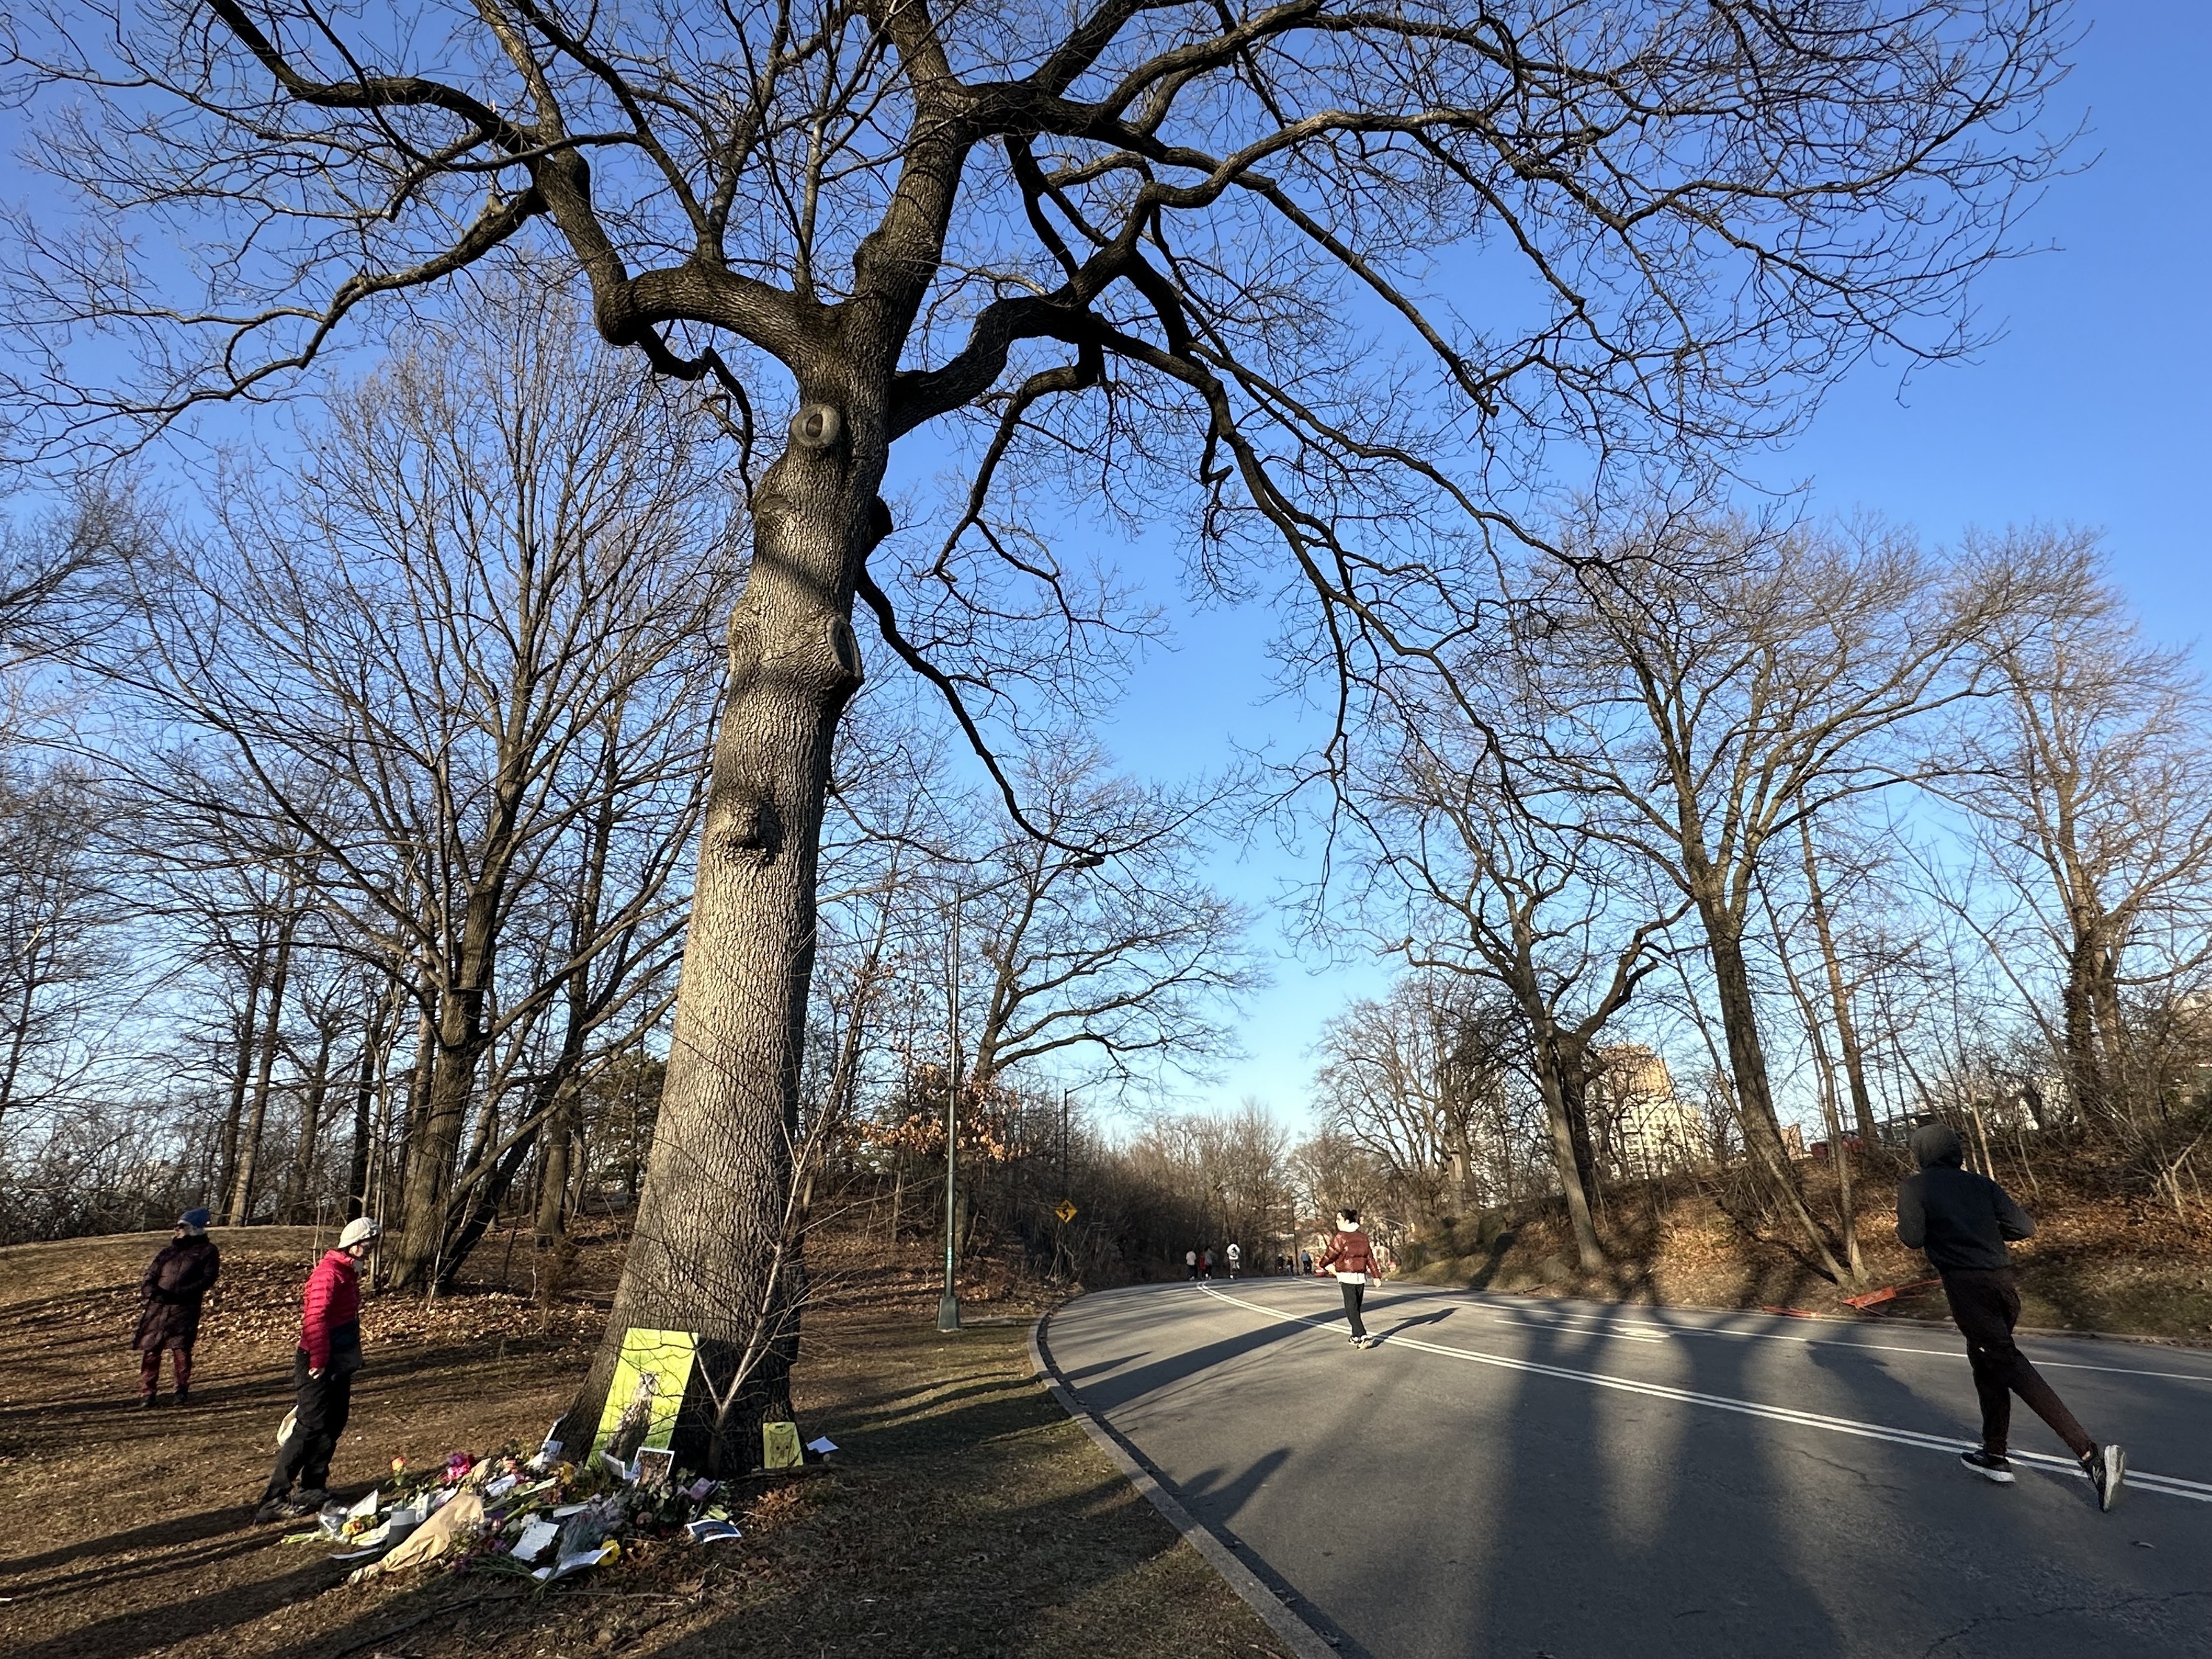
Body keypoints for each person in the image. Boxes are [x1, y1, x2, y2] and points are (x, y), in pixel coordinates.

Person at [1897, 1124, 2125, 1509]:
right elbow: (2023, 1227)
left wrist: (1920, 1227)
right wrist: (1984, 1234)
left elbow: (1913, 1237)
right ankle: (1994, 1455)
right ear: (1956, 1151)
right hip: (2003, 1285)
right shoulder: (1982, 1184)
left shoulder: (1915, 1187)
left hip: (1967, 1289)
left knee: (2006, 1362)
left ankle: (2090, 1456)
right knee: (1986, 1364)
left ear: (1921, 1152)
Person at [256, 1217, 380, 1522]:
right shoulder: (328, 1274)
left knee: (333, 1423)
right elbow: (315, 1319)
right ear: (354, 1244)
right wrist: (318, 1360)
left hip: (339, 1359)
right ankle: (274, 1498)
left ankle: (312, 1486)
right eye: (369, 1244)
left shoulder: (347, 1273)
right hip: (318, 1360)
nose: (372, 1249)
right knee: (309, 1427)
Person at [134, 1208, 220, 1408]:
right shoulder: (167, 1252)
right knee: (151, 1350)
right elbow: (150, 1275)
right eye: (177, 1226)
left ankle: (181, 1390)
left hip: (184, 1308)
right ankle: (147, 1393)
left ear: (196, 1229)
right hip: (157, 1308)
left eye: (183, 1226)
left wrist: (182, 1293)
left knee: (181, 1350)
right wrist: (151, 1292)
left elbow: (208, 1278)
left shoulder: (208, 1251)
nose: (178, 1230)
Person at [1319, 1209, 1381, 1346]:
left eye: (1339, 1219)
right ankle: (1356, 1336)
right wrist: (1376, 1276)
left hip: (1346, 1276)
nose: (1336, 1222)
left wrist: (1322, 1264)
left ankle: (1363, 1335)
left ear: (1347, 1221)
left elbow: (1331, 1254)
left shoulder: (1341, 1237)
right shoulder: (1363, 1237)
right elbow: (1370, 1258)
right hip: (1360, 1277)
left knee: (1351, 1308)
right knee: (1355, 1307)